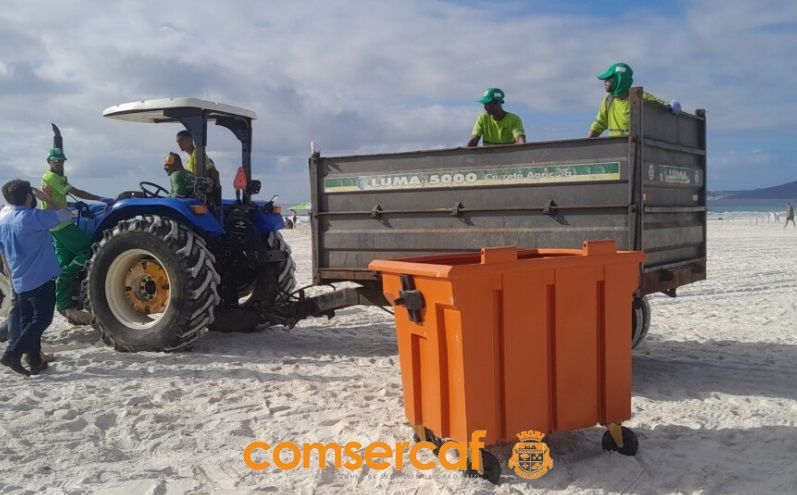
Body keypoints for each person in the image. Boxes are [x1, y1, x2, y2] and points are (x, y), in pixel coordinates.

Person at [0, 180, 72, 376]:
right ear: (29, 196)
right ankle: (12, 353)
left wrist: (7, 267)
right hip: (39, 276)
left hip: (18, 277)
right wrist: (47, 198)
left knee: (27, 321)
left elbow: (2, 248)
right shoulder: (33, 217)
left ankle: (34, 360)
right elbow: (67, 214)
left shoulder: (3, 219)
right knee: (42, 319)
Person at [40, 147, 107, 325]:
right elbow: (54, 197)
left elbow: (61, 195)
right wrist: (100, 198)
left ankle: (65, 304)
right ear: (49, 161)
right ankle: (67, 275)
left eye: (61, 161)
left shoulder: (57, 178)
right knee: (90, 247)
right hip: (61, 224)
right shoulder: (51, 177)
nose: (59, 164)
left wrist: (68, 205)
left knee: (65, 259)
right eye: (56, 161)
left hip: (56, 224)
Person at [588, 62, 681, 138]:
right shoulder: (608, 100)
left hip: (638, 153)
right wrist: (585, 147)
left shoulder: (640, 97)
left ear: (619, 79)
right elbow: (599, 124)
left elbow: (664, 106)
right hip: (617, 153)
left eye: (608, 79)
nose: (604, 82)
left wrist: (673, 105)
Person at [176, 130, 221, 199]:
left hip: (200, 195)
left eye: (181, 140)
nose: (179, 144)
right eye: (178, 142)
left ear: (190, 140)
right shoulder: (189, 158)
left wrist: (213, 193)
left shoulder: (198, 153)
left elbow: (214, 173)